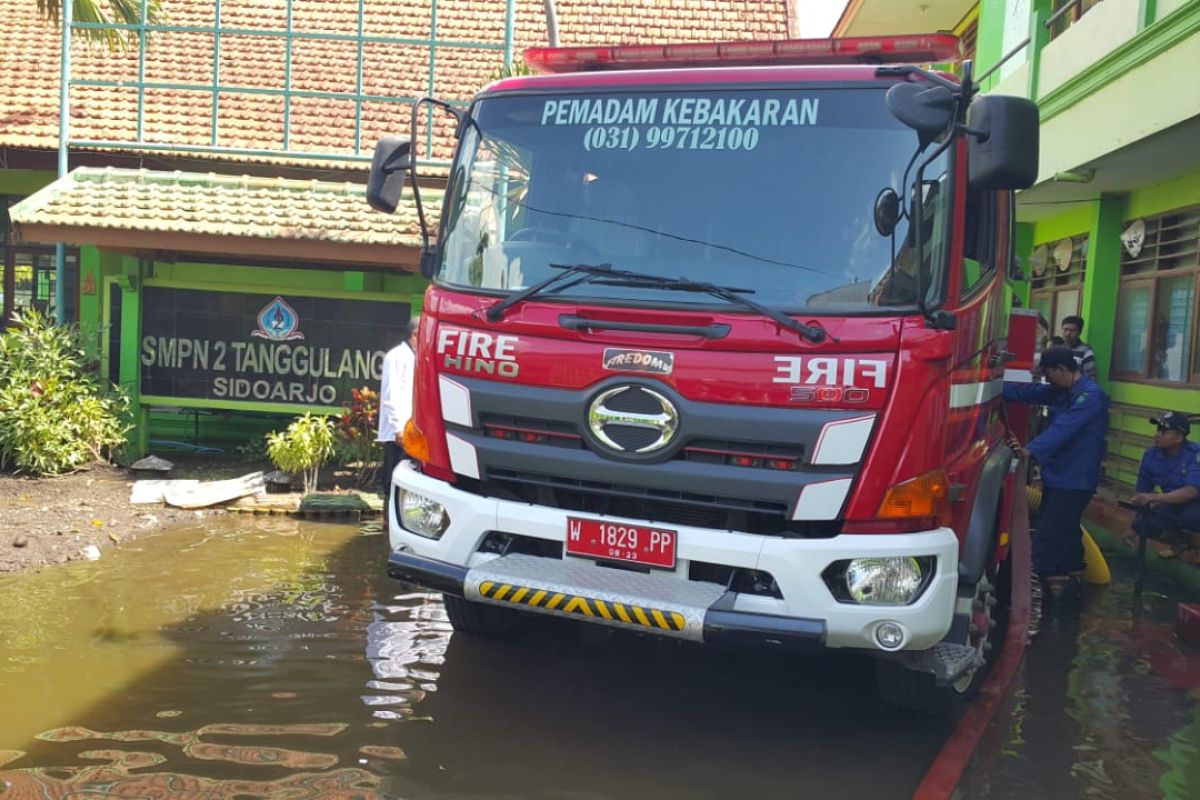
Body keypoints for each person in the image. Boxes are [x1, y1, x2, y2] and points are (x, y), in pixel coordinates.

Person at [1004, 346, 1109, 595]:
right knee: (1068, 533)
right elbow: (1027, 392)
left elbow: (1064, 427)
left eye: (1048, 374)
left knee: (1048, 539)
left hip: (1075, 480)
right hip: (1057, 476)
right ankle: (1072, 587)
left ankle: (1050, 601)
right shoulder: (1060, 392)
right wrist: (991, 384)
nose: (1047, 380)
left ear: (1062, 369)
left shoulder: (1090, 396)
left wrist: (1030, 450)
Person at [1129, 411, 1200, 558]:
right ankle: (1180, 544)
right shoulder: (1151, 455)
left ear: (1179, 437)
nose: (1158, 435)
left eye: (1164, 432)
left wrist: (1153, 498)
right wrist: (1133, 526)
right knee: (1143, 525)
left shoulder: (1195, 454)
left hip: (1196, 502)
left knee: (1192, 516)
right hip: (1172, 503)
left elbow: (1191, 492)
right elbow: (1141, 492)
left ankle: (1198, 550)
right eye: (1158, 430)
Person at [378, 315, 420, 510]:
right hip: (399, 431)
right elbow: (390, 394)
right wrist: (398, 429)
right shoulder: (395, 357)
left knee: (410, 476)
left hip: (413, 429)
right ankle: (388, 518)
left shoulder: (416, 357)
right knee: (393, 474)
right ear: (415, 334)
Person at [1060, 315, 1097, 380]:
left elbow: (1090, 377)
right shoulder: (1058, 350)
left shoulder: (1086, 351)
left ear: (1079, 332)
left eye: (1072, 330)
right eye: (1065, 329)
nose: (1068, 333)